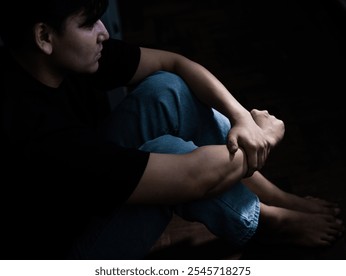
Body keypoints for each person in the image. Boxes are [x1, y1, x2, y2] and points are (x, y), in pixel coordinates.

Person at [0, 0, 343, 260]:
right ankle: (268, 222)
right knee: (168, 151)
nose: (104, 31)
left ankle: (275, 198)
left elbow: (173, 63)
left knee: (167, 89)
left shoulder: (55, 58)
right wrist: (265, 135)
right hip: (64, 257)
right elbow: (195, 177)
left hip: (80, 194)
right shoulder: (34, 132)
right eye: (89, 24)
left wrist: (242, 118)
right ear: (44, 36)